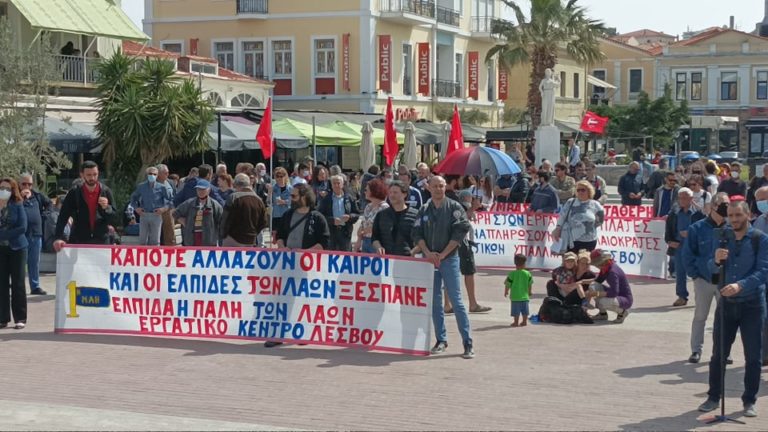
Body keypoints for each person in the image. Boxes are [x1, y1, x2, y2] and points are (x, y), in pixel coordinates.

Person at [697, 201, 768, 418]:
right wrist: (715, 262)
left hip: (752, 305)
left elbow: (764, 271)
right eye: (730, 215)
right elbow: (709, 268)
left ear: (748, 215)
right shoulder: (721, 236)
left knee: (753, 356)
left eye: (738, 215)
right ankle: (713, 397)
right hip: (726, 305)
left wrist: (740, 285)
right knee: (719, 354)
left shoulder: (760, 239)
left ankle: (749, 400)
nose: (734, 219)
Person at [413, 176, 475, 359]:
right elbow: (416, 233)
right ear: (429, 188)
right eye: (435, 186)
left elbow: (460, 232)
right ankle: (441, 339)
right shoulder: (424, 209)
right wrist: (428, 252)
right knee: (435, 302)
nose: (438, 189)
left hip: (449, 259)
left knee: (456, 300)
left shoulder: (454, 207)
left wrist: (443, 254)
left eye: (441, 186)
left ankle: (467, 341)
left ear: (445, 187)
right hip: (429, 261)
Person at [683, 192, 731, 364]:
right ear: (713, 206)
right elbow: (688, 255)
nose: (726, 208)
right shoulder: (697, 228)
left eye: (728, 204)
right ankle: (696, 350)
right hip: (704, 280)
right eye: (722, 204)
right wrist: (695, 276)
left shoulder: (732, 228)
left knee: (725, 318)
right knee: (700, 316)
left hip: (726, 281)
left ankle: (723, 351)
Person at [53, 161, 117, 251]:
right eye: (89, 175)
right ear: (82, 175)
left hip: (101, 240)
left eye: (95, 174)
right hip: (79, 239)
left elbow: (114, 216)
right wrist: (58, 237)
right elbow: (63, 216)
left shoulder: (106, 191)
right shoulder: (74, 192)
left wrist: (107, 208)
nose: (92, 178)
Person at [665, 188, 705, 307]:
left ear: (691, 199)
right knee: (680, 273)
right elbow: (668, 231)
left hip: (695, 248)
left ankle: (701, 297)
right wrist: (670, 241)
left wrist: (691, 234)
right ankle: (682, 296)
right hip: (680, 247)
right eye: (680, 198)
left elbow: (704, 231)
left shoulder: (699, 214)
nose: (682, 200)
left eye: (685, 198)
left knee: (698, 273)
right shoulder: (673, 214)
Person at [0, 178, 28, 329]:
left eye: (7, 188)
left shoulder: (17, 204)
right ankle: (3, 318)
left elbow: (22, 227)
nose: (4, 191)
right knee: (2, 284)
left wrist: (3, 235)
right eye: (2, 188)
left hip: (17, 248)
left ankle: (20, 318)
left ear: (13, 190)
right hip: (1, 250)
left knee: (18, 283)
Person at [18, 174, 51, 295]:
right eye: (24, 184)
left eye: (30, 184)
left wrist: (44, 216)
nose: (27, 187)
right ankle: (18, 286)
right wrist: (20, 199)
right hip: (21, 236)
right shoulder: (15, 197)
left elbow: (49, 204)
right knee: (20, 263)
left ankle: (35, 286)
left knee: (34, 262)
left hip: (36, 234)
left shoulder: (37, 196)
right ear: (19, 184)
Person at [552, 180, 604, 253]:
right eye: (578, 190)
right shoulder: (570, 202)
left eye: (583, 190)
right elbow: (562, 216)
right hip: (571, 240)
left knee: (584, 263)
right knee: (570, 262)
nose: (580, 192)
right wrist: (558, 228)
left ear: (589, 191)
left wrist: (587, 226)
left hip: (589, 240)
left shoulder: (596, 205)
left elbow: (600, 222)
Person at [274, 183, 329, 251]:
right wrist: (282, 247)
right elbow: (280, 235)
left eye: (293, 196)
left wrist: (305, 252)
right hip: (288, 258)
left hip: (309, 259)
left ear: (304, 198)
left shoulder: (318, 218)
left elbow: (324, 242)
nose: (291, 199)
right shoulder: (287, 215)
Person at [371, 181, 419, 256]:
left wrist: (413, 252)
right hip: (386, 260)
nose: (392, 195)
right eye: (390, 192)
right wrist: (378, 247)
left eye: (395, 192)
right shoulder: (381, 215)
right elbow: (375, 236)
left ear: (404, 194)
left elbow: (422, 238)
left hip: (408, 261)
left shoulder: (416, 215)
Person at [219, 173, 267, 247]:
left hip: (233, 239)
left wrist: (222, 235)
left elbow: (225, 219)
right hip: (251, 240)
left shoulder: (233, 197)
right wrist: (253, 234)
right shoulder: (259, 200)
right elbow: (263, 222)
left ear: (236, 185)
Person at [129, 166, 173, 246]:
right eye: (150, 173)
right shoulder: (141, 186)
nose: (152, 175)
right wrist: (136, 208)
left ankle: (154, 257)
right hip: (144, 214)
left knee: (155, 241)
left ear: (157, 176)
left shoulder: (162, 187)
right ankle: (142, 257)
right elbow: (133, 198)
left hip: (156, 215)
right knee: (142, 240)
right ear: (147, 175)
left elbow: (171, 200)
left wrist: (164, 209)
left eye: (154, 174)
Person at [587, 249, 633, 323]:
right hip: (616, 295)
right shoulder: (606, 267)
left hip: (625, 299)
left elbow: (614, 293)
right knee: (593, 286)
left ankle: (622, 312)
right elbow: (598, 281)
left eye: (597, 263)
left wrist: (597, 294)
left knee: (603, 301)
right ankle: (602, 314)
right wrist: (583, 284)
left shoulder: (612, 272)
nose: (596, 266)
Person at [174, 180, 223, 247]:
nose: (200, 192)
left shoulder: (215, 205)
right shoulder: (189, 203)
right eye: (198, 189)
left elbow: (222, 221)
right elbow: (175, 213)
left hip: (208, 240)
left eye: (203, 189)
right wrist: (183, 221)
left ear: (208, 190)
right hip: (191, 238)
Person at [317, 175, 360, 252]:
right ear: (331, 185)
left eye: (338, 183)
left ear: (342, 184)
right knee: (330, 256)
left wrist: (350, 217)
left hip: (345, 232)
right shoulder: (326, 199)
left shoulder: (349, 198)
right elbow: (320, 216)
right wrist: (332, 220)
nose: (336, 185)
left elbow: (357, 214)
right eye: (334, 183)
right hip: (331, 232)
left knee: (345, 257)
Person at [355, 178, 389, 253]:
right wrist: (359, 240)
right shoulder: (368, 207)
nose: (364, 192)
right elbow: (363, 225)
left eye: (366, 190)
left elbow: (380, 228)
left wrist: (364, 231)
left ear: (374, 191)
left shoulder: (384, 208)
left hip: (377, 243)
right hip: (365, 241)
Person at [505, 254, 533, 327]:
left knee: (516, 311)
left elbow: (508, 284)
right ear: (524, 264)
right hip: (525, 296)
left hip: (515, 296)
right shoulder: (527, 273)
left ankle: (516, 322)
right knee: (525, 311)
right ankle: (524, 321)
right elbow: (530, 284)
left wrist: (506, 291)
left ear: (515, 263)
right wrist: (530, 291)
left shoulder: (512, 274)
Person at [156, 164, 177, 246]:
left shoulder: (170, 183)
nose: (167, 175)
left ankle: (170, 250)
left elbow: (175, 196)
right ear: (159, 174)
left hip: (169, 211)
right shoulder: (153, 183)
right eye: (165, 173)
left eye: (168, 173)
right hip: (157, 210)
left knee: (170, 233)